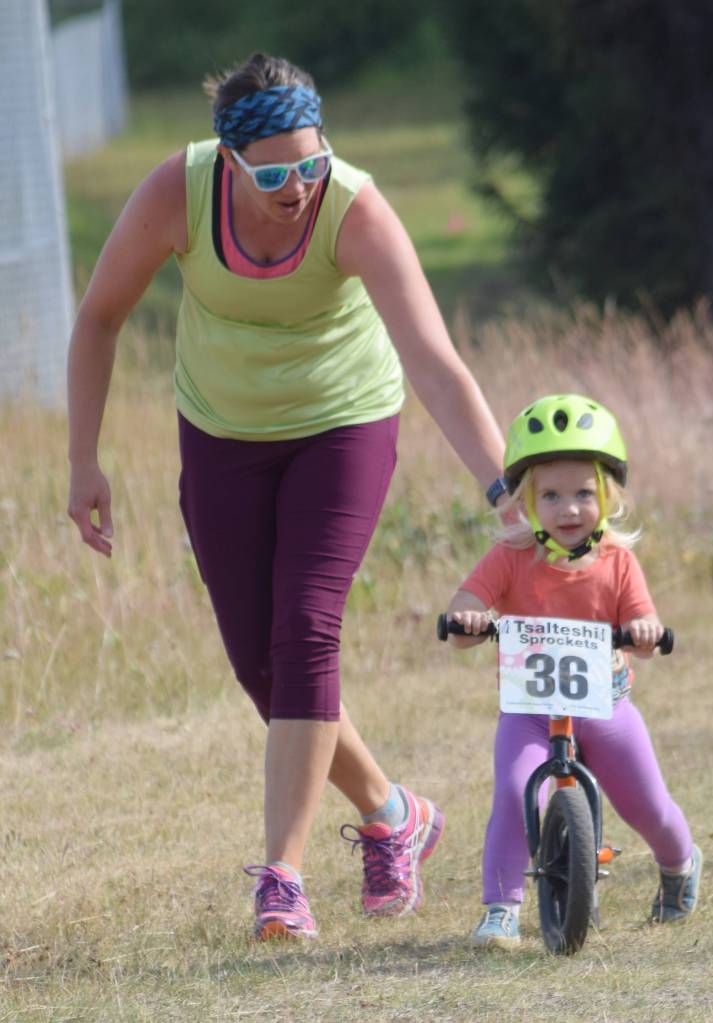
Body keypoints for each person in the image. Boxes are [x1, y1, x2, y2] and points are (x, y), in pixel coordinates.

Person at [66, 52, 508, 941]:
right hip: (222, 433)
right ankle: (395, 814)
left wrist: (506, 489)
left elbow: (432, 358)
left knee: (306, 626)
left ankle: (284, 878)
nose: (298, 186)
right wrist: (83, 460)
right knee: (258, 663)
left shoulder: (352, 206)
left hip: (341, 424)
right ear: (228, 162)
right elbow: (100, 317)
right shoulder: (177, 193)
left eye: (311, 162)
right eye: (275, 173)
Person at [445, 393, 702, 948]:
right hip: (530, 711)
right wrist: (467, 616)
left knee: (647, 803)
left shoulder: (617, 561)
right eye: (552, 495)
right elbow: (466, 613)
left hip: (604, 704)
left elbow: (644, 626)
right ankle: (500, 909)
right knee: (517, 793)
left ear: (607, 498)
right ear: (526, 501)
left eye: (584, 494)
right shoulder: (510, 558)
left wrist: (645, 631)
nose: (569, 509)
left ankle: (680, 862)